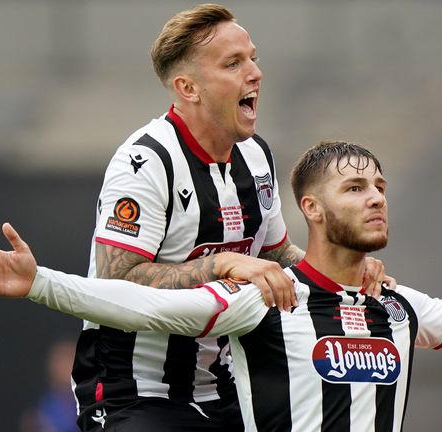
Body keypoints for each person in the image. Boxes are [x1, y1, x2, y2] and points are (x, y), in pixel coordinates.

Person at [0, 140, 442, 431]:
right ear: (311, 210)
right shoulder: (268, 298)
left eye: (380, 185)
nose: (376, 198)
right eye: (355, 187)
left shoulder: (396, 304)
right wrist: (39, 285)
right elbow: (148, 305)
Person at [72, 4, 387, 431]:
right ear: (188, 87)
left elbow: (279, 257)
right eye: (233, 63)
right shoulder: (146, 161)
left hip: (227, 387)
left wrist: (348, 271)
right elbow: (112, 283)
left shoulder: (257, 157)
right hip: (134, 392)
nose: (255, 72)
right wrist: (221, 263)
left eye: (253, 57)